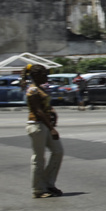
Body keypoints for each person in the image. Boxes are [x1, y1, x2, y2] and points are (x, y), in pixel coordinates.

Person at [24, 64, 64, 199]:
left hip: (44, 125)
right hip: (37, 126)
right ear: (36, 76)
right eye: (44, 75)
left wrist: (53, 112)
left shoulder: (40, 89)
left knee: (58, 152)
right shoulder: (32, 91)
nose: (46, 77)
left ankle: (48, 183)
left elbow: (45, 106)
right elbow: (38, 111)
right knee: (38, 158)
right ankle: (38, 189)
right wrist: (52, 128)